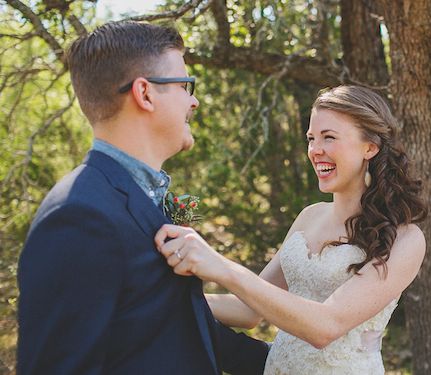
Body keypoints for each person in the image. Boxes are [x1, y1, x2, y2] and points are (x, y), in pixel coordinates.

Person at [17, 21, 268, 375]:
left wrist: (291, 363)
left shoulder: (139, 197)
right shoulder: (78, 217)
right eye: (184, 85)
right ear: (145, 93)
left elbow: (175, 326)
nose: (193, 100)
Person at [156, 85, 428, 374]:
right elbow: (249, 311)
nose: (315, 150)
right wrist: (167, 300)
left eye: (329, 138)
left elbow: (326, 326)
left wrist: (220, 267)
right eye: (311, 138)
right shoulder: (309, 216)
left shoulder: (405, 239)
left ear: (369, 147)